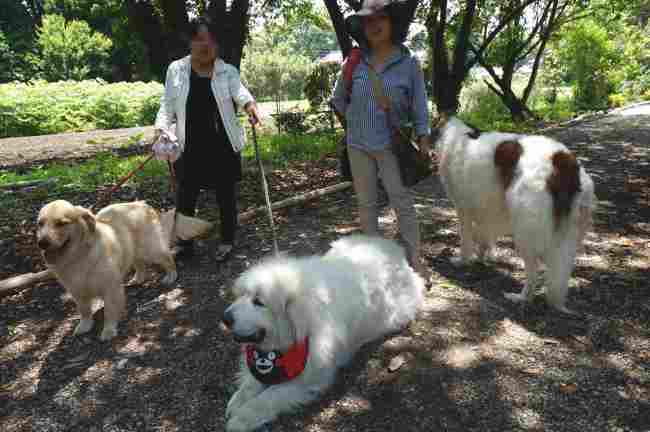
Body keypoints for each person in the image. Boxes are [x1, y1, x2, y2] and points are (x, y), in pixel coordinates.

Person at [330, 0, 431, 276]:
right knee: (366, 204)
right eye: (367, 20)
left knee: (402, 202)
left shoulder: (409, 63)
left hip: (391, 145)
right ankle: (375, 265)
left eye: (380, 19)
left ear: (392, 23)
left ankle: (415, 262)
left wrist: (423, 139)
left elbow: (420, 105)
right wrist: (353, 126)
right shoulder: (353, 62)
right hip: (357, 145)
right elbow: (338, 100)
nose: (374, 25)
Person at [154, 16, 261, 262]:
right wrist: (161, 129)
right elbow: (167, 104)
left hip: (222, 144)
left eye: (212, 41)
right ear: (190, 42)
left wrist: (250, 105)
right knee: (186, 196)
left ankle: (227, 240)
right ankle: (185, 244)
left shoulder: (227, 71)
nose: (206, 45)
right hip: (188, 144)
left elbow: (240, 92)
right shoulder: (177, 70)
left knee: (225, 195)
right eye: (200, 39)